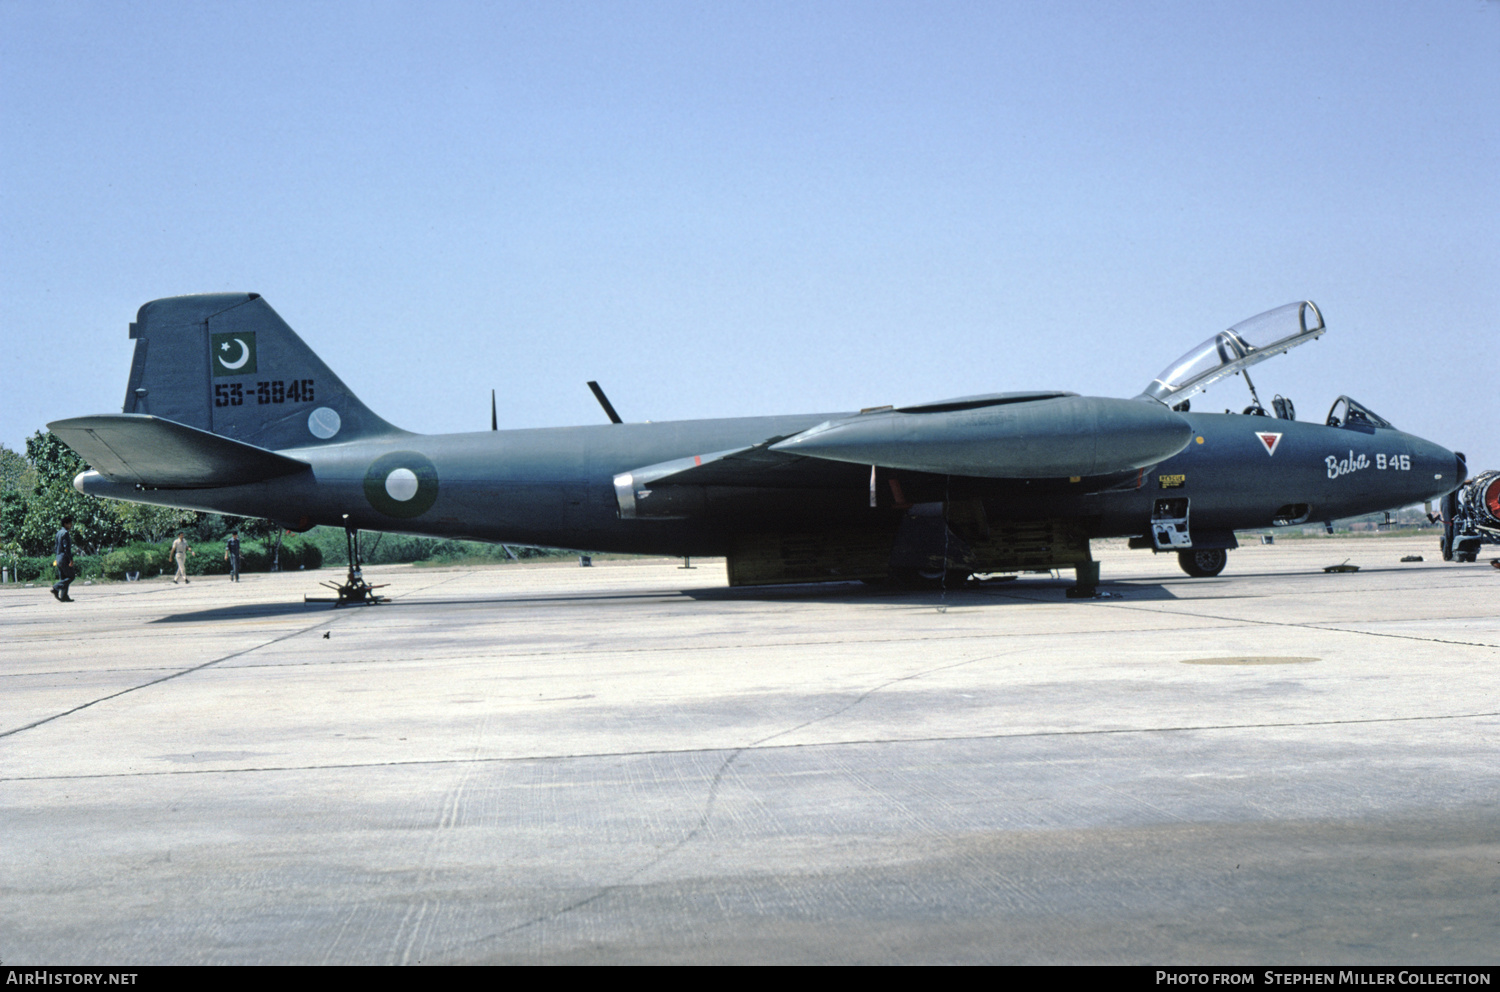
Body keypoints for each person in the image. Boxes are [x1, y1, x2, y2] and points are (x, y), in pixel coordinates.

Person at [51, 515, 76, 602]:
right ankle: (56, 587)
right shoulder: (65, 533)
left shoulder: (58, 533)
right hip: (64, 558)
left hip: (58, 557)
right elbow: (67, 548)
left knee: (64, 578)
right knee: (71, 576)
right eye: (70, 523)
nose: (71, 525)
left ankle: (64, 596)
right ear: (65, 524)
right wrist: (71, 559)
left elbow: (56, 546)